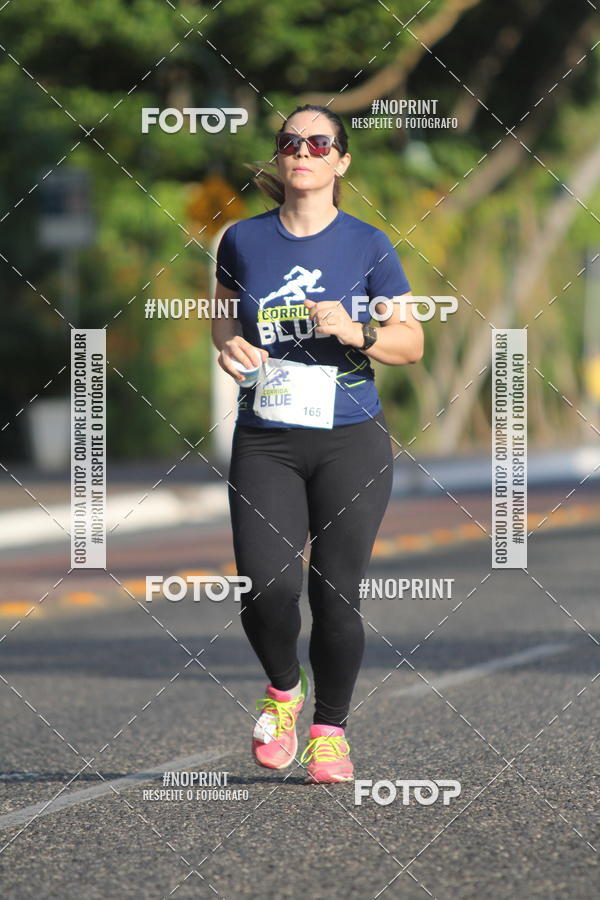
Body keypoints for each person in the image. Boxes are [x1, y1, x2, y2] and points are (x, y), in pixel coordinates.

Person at [211, 104, 424, 784]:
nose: (302, 150)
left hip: (350, 439)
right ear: (279, 158)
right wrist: (228, 347)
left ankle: (330, 731)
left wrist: (356, 331)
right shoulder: (242, 241)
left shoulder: (368, 245)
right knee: (267, 586)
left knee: (336, 594)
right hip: (267, 438)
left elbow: (411, 344)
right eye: (290, 142)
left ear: (340, 160)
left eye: (318, 141)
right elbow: (222, 320)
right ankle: (282, 691)